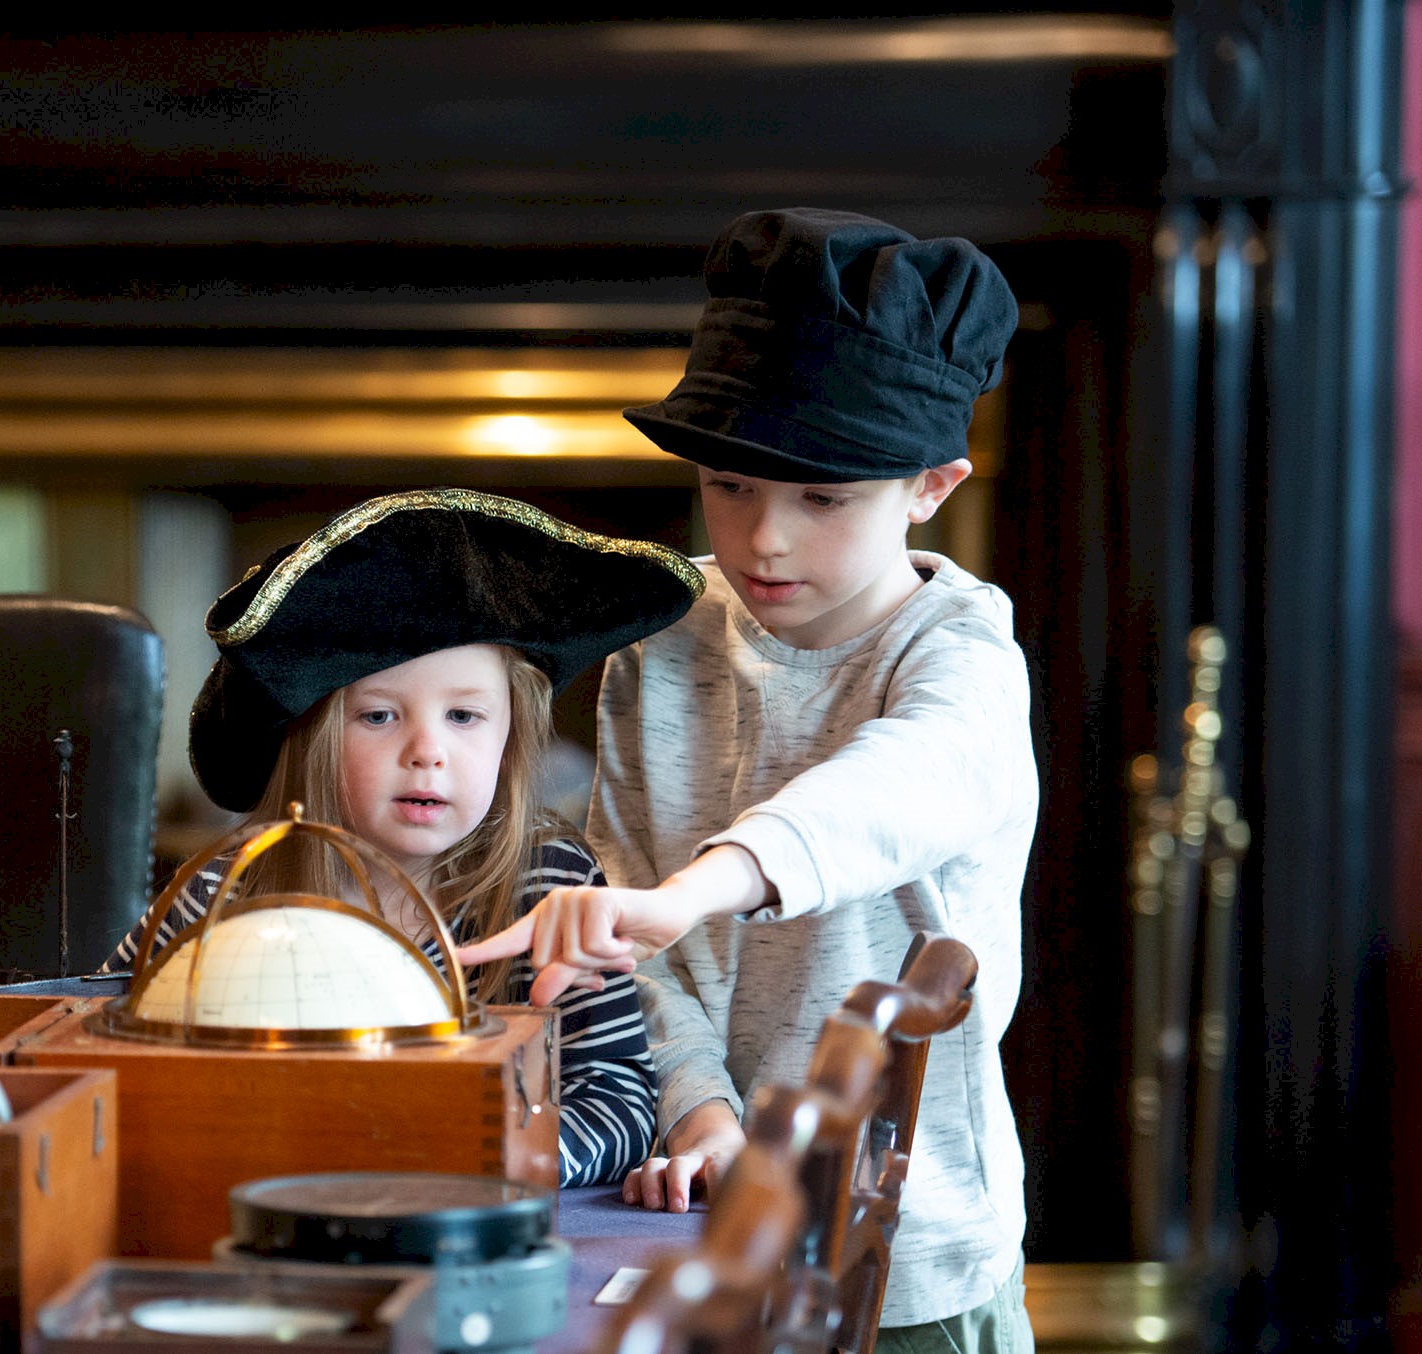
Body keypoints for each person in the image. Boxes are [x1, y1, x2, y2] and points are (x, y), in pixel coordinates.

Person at [457, 208, 1039, 1352]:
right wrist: (701, 1110)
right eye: (729, 486)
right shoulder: (661, 639)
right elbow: (632, 926)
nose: (764, 537)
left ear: (930, 484)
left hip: (910, 1247)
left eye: (823, 498)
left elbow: (889, 788)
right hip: (703, 1209)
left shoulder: (961, 653)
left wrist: (698, 886)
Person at [105, 487, 702, 1187]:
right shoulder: (231, 885)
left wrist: (500, 1158)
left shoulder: (549, 883)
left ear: (511, 738)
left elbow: (619, 1099)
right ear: (314, 741)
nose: (427, 752)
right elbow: (91, 1022)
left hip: (463, 1218)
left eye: (464, 717)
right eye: (381, 717)